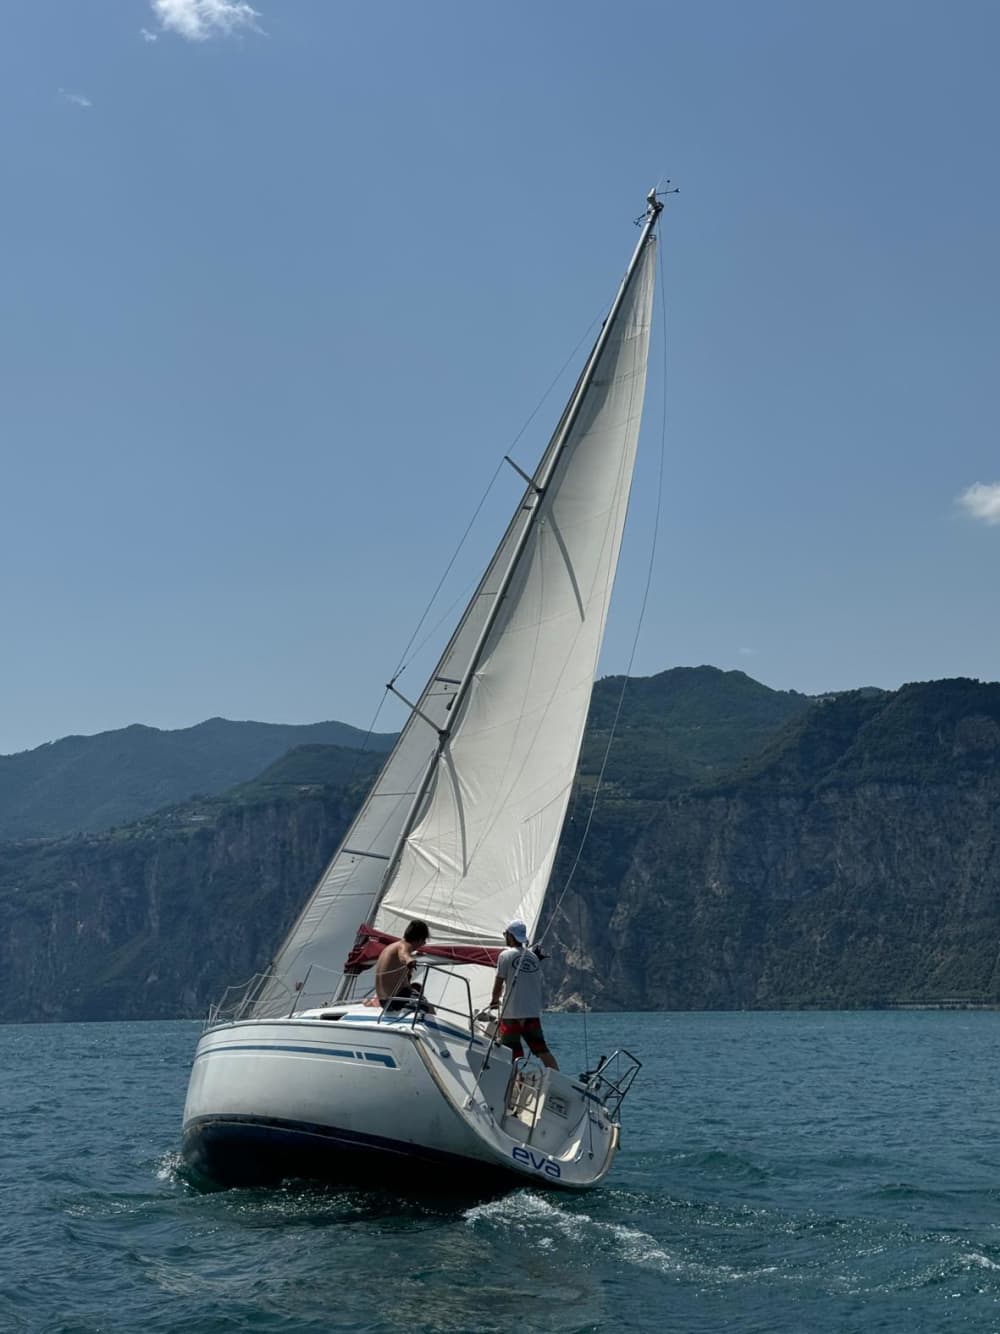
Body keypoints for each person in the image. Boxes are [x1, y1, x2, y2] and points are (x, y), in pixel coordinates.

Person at [487, 919, 558, 1069]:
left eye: (506, 934)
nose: (505, 937)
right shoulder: (533, 957)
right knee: (542, 1051)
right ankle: (555, 1080)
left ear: (511, 936)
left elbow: (499, 983)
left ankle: (515, 1086)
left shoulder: (505, 956)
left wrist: (494, 1001)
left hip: (511, 1015)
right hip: (531, 1014)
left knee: (512, 1055)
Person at [375, 920, 433, 1013]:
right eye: (424, 940)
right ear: (419, 938)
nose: (424, 944)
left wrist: (414, 955)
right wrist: (409, 960)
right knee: (428, 1008)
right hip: (395, 999)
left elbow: (401, 956)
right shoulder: (404, 946)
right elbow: (403, 955)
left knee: (417, 997)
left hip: (383, 1001)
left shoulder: (393, 946)